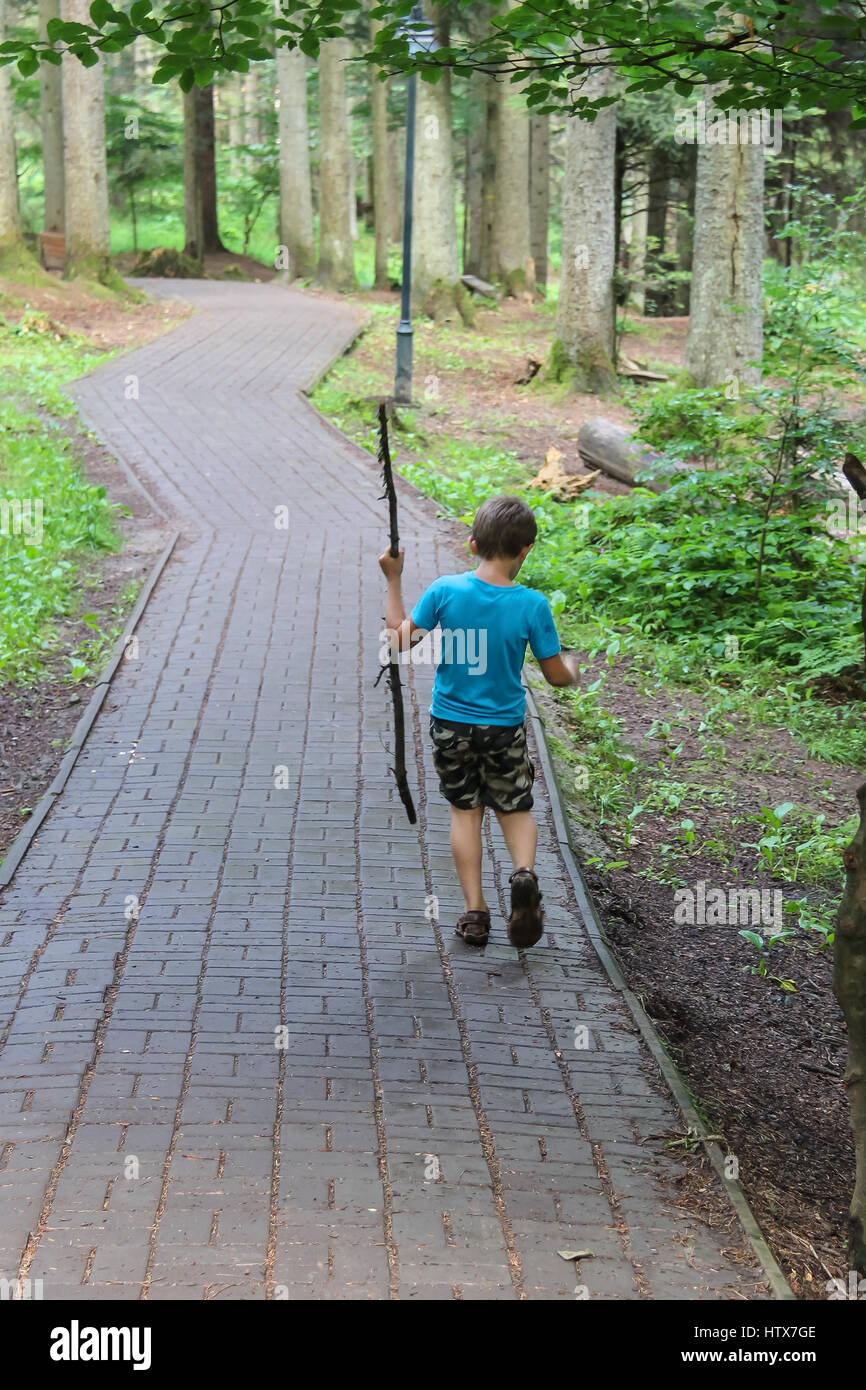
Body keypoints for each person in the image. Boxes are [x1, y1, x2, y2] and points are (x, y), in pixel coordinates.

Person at [379, 494, 579, 949]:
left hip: (451, 723)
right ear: (526, 549)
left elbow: (396, 642)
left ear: (472, 543)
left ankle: (474, 913)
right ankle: (523, 875)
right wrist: (574, 669)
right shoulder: (533, 606)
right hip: (503, 727)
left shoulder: (446, 591)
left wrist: (394, 580)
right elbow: (555, 676)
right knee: (515, 807)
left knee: (465, 813)